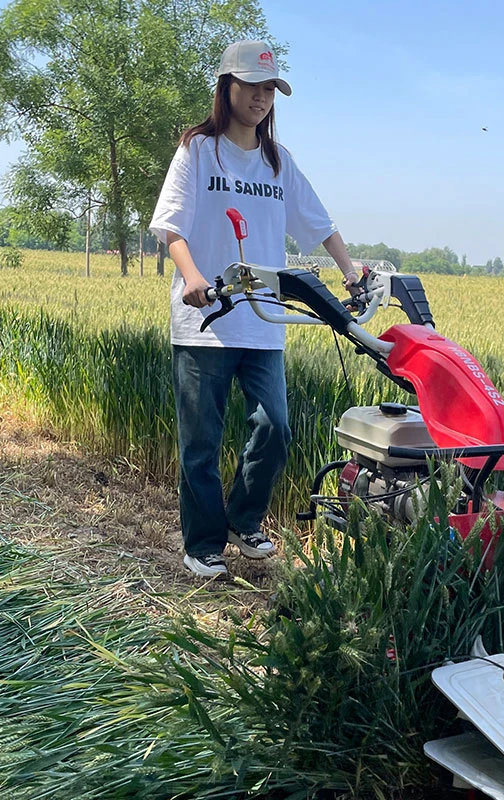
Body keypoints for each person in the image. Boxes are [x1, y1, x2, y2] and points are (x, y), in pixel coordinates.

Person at [150, 40, 361, 579]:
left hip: (264, 318)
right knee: (201, 442)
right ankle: (202, 545)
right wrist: (192, 275)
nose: (263, 98)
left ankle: (244, 520)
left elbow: (318, 222)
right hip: (207, 320)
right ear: (228, 88)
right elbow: (171, 226)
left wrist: (349, 268)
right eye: (253, 86)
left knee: (276, 429)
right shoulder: (199, 150)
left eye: (271, 89)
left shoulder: (277, 161)